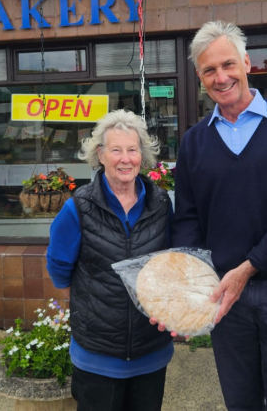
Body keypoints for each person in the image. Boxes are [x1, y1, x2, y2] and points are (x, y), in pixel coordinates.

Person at [153, 21, 267, 411]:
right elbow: (189, 220)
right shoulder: (194, 142)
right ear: (199, 77)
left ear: (247, 63)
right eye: (209, 70)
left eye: (228, 64)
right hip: (224, 298)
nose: (221, 77)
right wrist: (189, 290)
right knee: (240, 399)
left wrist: (249, 266)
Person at [47, 109, 174, 411]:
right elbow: (59, 268)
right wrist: (89, 305)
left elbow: (172, 262)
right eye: (116, 150)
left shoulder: (160, 204)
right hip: (97, 356)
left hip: (150, 351)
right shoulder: (79, 206)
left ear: (142, 157)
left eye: (132, 150)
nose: (125, 159)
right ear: (100, 155)